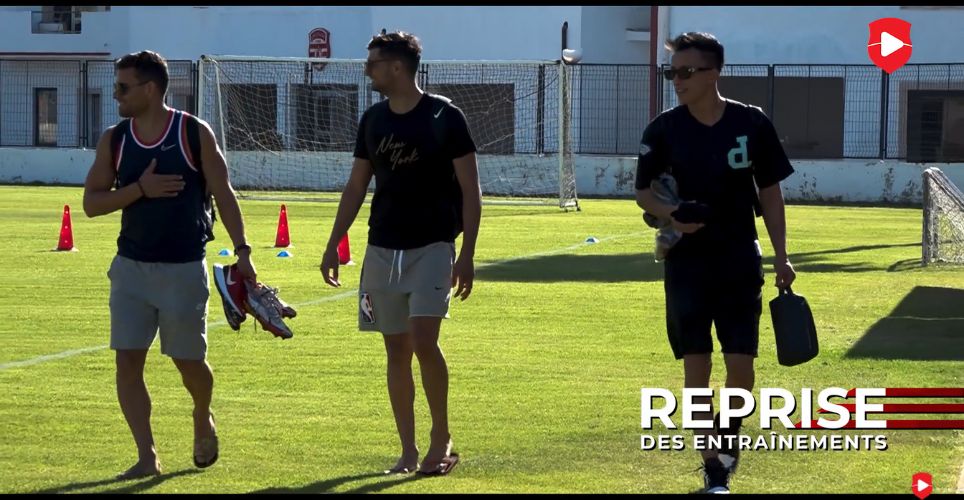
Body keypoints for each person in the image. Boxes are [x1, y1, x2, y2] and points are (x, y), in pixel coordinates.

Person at [83, 50, 257, 479]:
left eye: (124, 87)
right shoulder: (115, 139)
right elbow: (92, 203)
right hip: (130, 268)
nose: (116, 95)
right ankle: (147, 456)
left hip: (182, 269)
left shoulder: (193, 132)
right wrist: (139, 189)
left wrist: (243, 251)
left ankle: (202, 414)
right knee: (127, 362)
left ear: (150, 89)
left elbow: (225, 193)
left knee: (188, 362)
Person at [634, 32, 797, 494]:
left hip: (739, 257)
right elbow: (643, 190)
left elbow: (770, 192)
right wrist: (671, 215)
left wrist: (782, 255)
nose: (677, 80)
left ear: (713, 72)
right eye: (672, 72)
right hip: (685, 262)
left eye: (686, 72)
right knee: (696, 368)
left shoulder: (752, 123)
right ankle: (714, 466)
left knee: (741, 368)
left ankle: (728, 438)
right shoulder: (663, 129)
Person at [319, 31, 481, 477]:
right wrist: (334, 243)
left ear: (396, 67)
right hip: (381, 249)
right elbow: (356, 185)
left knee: (425, 343)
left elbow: (471, 189)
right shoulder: (372, 120)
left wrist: (466, 253)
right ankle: (407, 451)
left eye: (372, 62)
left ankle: (440, 437)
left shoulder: (444, 117)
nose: (367, 69)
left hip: (432, 248)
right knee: (395, 352)